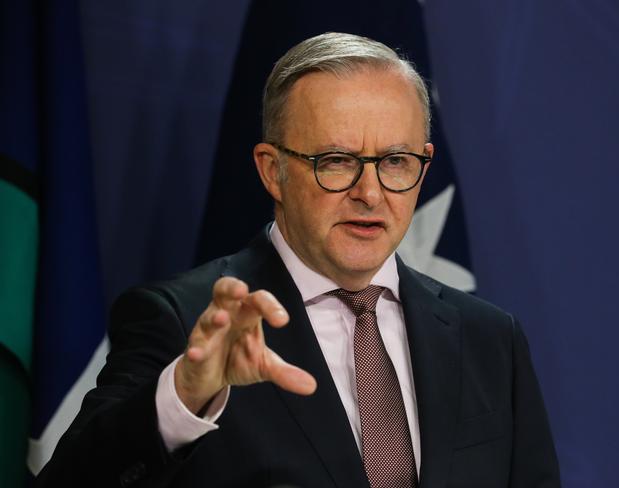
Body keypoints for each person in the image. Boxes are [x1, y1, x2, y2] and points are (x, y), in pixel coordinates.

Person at [37, 32, 560, 488]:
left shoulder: (491, 339)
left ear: (423, 166)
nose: (370, 193)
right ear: (272, 171)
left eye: (395, 162)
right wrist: (183, 399)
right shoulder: (183, 321)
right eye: (336, 161)